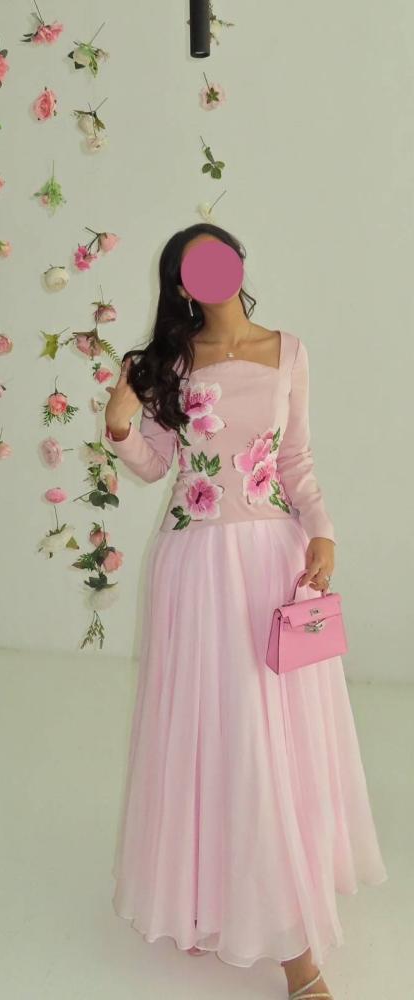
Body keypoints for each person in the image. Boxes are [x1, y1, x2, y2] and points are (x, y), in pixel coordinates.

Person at [103, 223, 388, 1000]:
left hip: (272, 562)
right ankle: (254, 925)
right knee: (218, 731)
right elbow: (156, 463)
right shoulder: (167, 363)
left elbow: (296, 459)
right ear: (181, 284)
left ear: (236, 266)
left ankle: (285, 916)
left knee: (269, 737)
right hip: (196, 565)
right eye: (195, 266)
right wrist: (121, 424)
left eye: (220, 258)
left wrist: (323, 534)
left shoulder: (288, 352)